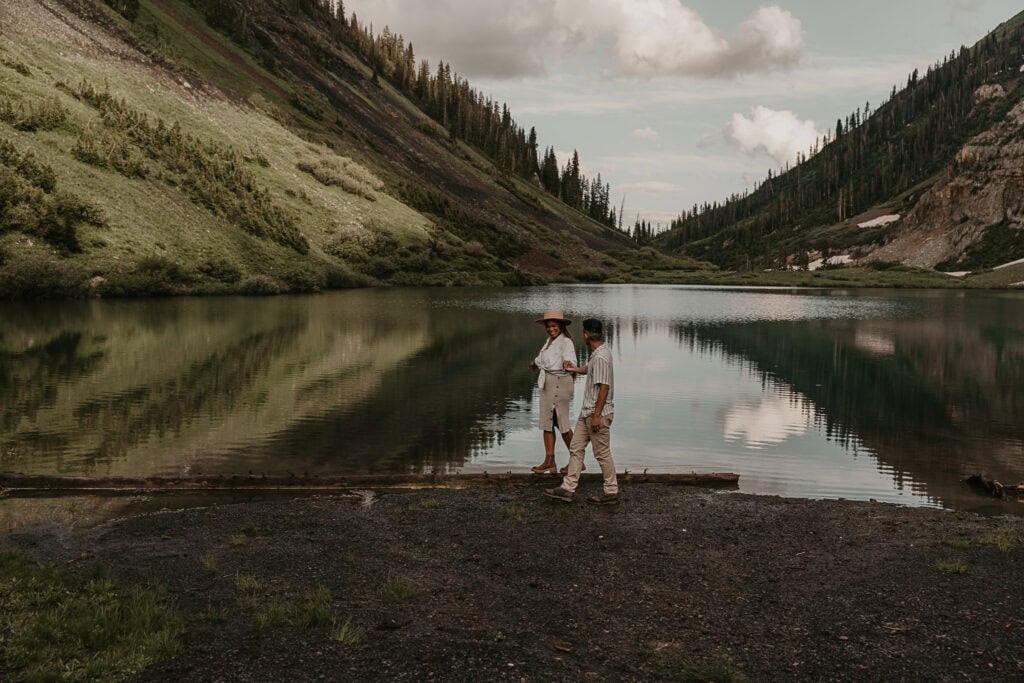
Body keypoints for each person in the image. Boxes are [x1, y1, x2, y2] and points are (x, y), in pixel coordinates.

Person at [544, 318, 619, 505]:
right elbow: (592, 370)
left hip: (596, 414)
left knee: (602, 453)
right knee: (576, 448)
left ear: (586, 335)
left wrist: (596, 416)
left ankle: (611, 492)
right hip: (587, 412)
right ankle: (567, 488)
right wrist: (575, 369)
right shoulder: (599, 353)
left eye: (583, 333)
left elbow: (604, 387)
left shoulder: (601, 356)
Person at [528, 310, 577, 474]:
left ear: (560, 326)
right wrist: (534, 363)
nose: (550, 329)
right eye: (548, 326)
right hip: (549, 383)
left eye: (553, 326)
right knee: (548, 422)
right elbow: (543, 359)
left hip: (559, 383)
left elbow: (571, 360)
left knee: (561, 423)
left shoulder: (566, 342)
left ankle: (577, 461)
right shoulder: (550, 341)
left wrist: (568, 364)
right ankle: (550, 461)